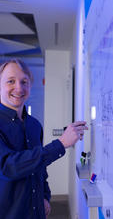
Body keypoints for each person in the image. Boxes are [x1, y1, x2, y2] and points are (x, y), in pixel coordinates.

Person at [0, 58, 88, 219]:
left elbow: (39, 168)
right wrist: (60, 144)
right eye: (10, 81)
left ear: (30, 86)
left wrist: (45, 196)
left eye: (24, 81)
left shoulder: (34, 125)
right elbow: (8, 166)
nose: (18, 87)